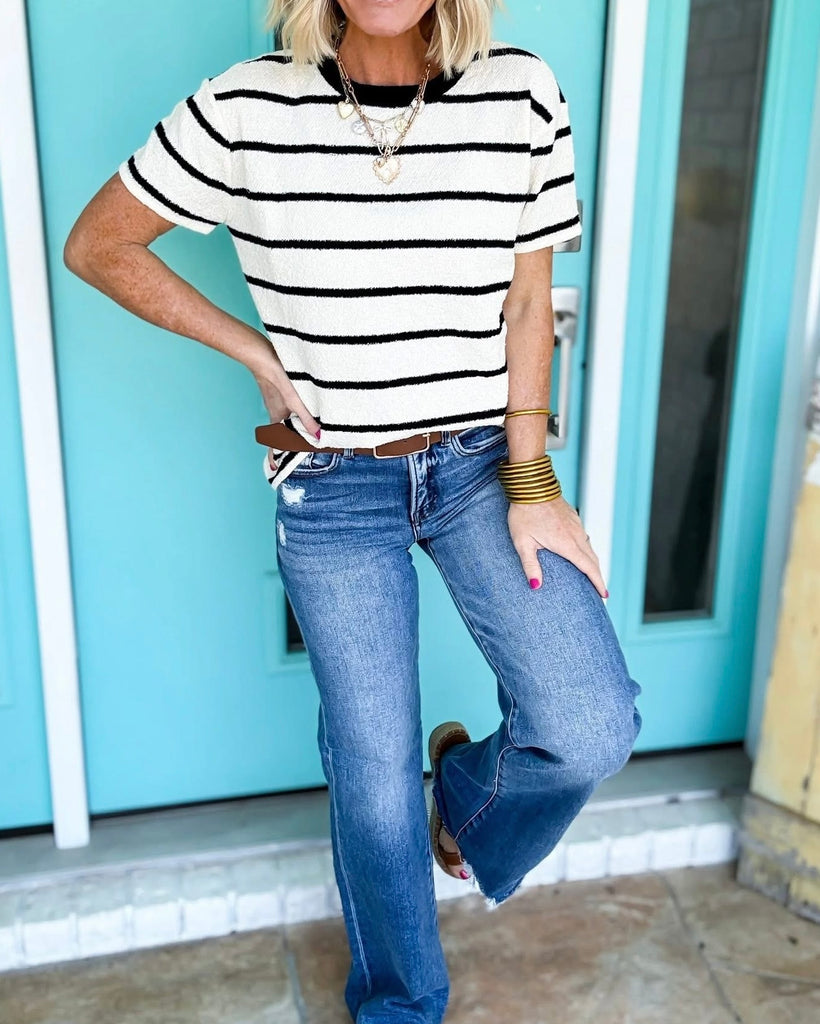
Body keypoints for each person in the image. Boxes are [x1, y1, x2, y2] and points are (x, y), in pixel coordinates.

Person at [63, 0, 643, 1020]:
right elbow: (99, 243)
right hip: (332, 483)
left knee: (590, 723)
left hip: (478, 463)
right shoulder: (246, 106)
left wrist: (535, 484)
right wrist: (254, 352)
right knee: (373, 778)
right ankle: (399, 1004)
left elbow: (527, 303)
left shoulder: (520, 92)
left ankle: (462, 804)